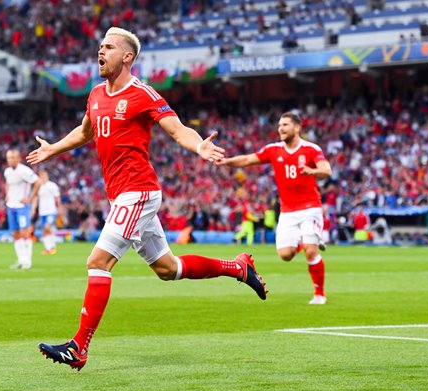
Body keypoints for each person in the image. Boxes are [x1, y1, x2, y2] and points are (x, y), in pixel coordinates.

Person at [26, 27, 267, 371]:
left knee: (98, 262)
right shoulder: (95, 94)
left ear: (127, 57)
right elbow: (85, 131)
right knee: (168, 270)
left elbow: (178, 128)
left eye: (108, 47)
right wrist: (53, 148)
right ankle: (237, 267)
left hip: (138, 192)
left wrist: (199, 144)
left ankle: (79, 347)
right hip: (121, 196)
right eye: (100, 46)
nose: (101, 51)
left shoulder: (143, 94)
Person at [218, 111, 332, 305]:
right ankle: (305, 241)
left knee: (311, 252)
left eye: (285, 125)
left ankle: (319, 294)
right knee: (285, 255)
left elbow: (326, 170)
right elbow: (247, 160)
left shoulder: (311, 149)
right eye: (279, 125)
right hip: (287, 211)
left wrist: (312, 171)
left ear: (297, 127)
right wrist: (227, 162)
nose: (281, 128)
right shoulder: (273, 150)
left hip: (310, 207)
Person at [4, 149, 41, 270]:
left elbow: (37, 182)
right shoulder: (7, 172)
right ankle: (21, 260)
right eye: (9, 157)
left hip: (22, 207)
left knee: (25, 233)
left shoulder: (24, 170)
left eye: (13, 157)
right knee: (15, 234)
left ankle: (27, 261)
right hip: (11, 206)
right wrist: (7, 195)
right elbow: (8, 184)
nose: (11, 160)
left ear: (19, 158)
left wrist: (30, 198)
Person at [32, 170, 61, 255]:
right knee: (45, 231)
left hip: (51, 211)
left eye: (44, 176)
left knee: (47, 227)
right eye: (41, 176)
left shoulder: (52, 185)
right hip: (42, 212)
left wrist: (59, 208)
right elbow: (35, 198)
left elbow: (57, 197)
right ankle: (49, 248)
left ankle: (53, 246)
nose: (43, 178)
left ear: (47, 176)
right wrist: (33, 209)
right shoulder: (38, 186)